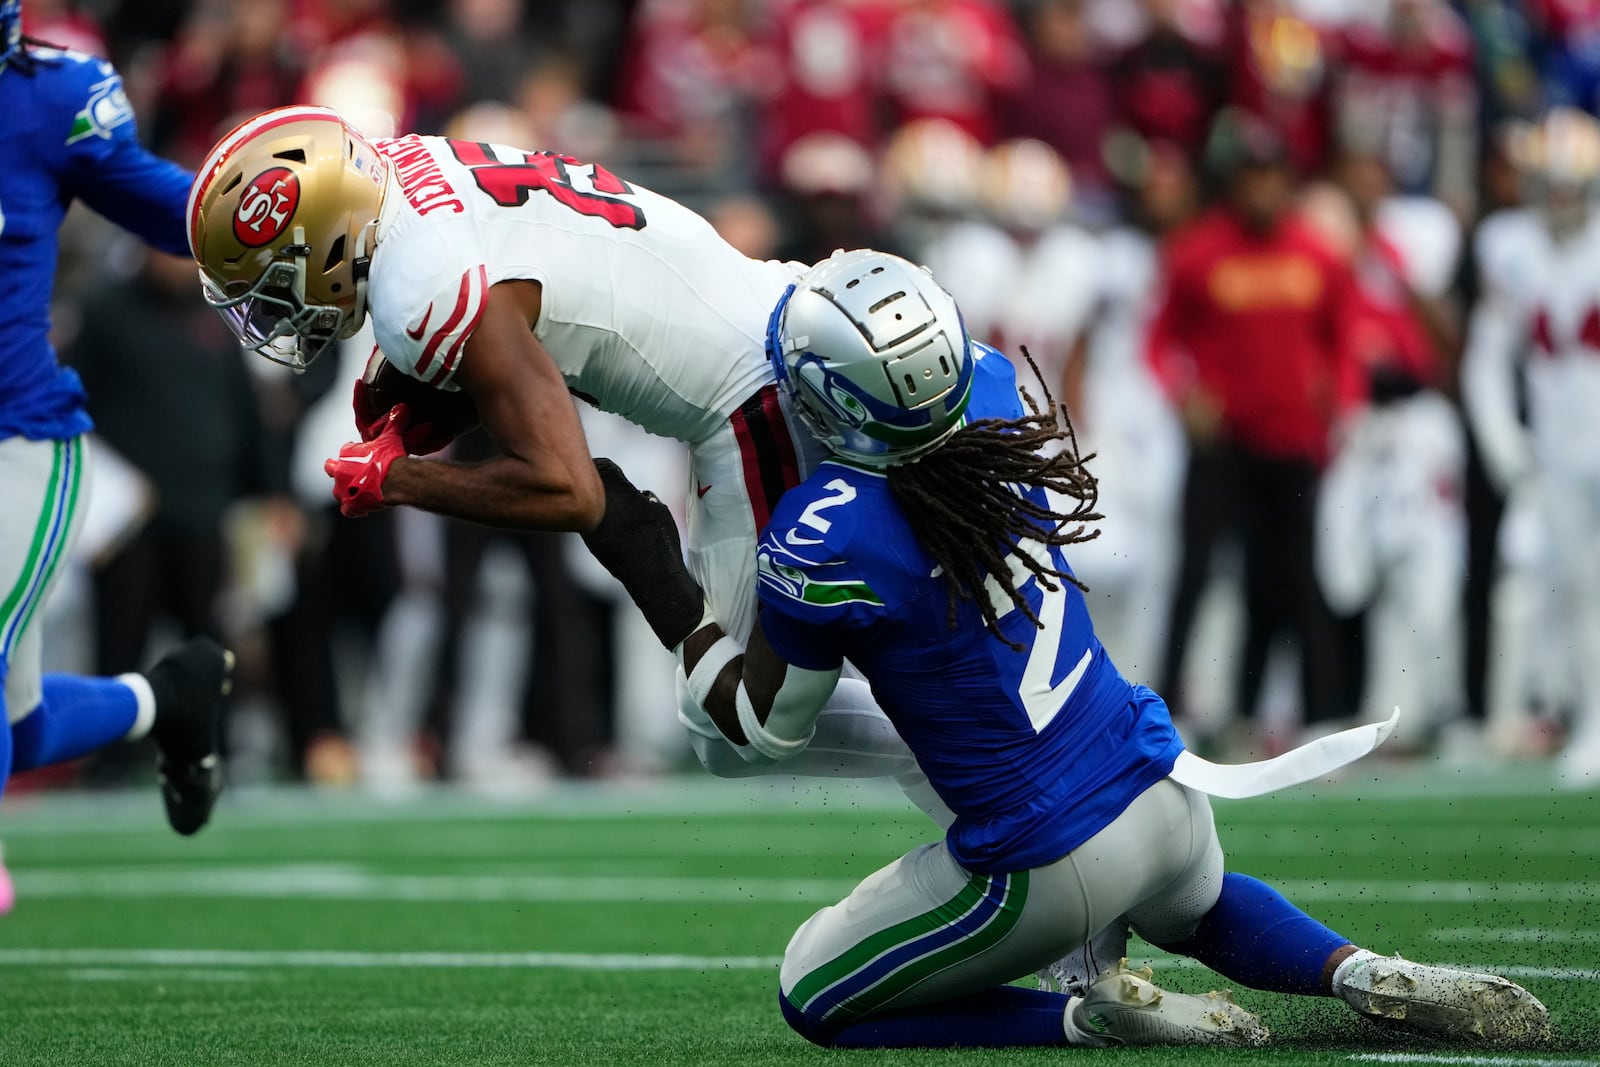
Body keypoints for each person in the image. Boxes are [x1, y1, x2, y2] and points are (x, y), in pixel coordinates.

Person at [591, 249, 1552, 1049]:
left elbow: (764, 724)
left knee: (813, 993)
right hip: (1163, 782)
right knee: (1201, 909)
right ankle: (1362, 970)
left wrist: (658, 576)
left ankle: (1087, 1020)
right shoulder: (1000, 392)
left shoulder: (827, 532)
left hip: (1048, 864)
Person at [185, 104, 944, 807]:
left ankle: (970, 755)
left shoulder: (414, 282)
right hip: (773, 321)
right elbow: (530, 289)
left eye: (276, 278)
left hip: (754, 391)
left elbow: (568, 490)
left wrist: (400, 477)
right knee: (738, 718)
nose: (275, 308)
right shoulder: (406, 164)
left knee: (745, 723)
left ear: (324, 229)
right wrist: (424, 402)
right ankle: (974, 757)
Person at [0, 2, 234, 913]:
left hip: (17, 442)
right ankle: (170, 697)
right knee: (18, 724)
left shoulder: (47, 96)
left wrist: (281, 199)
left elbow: (176, 215)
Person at [1462, 106, 1600, 785]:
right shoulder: (1513, 249)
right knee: (1577, 587)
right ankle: (1593, 721)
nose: (1563, 196)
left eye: (1574, 183)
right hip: (1558, 448)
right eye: (1552, 181)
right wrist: (1502, 440)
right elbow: (1485, 358)